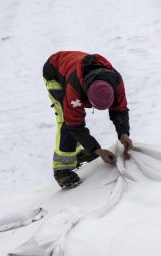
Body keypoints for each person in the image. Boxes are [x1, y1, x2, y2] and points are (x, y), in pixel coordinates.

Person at [42, 51, 133, 189]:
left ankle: (77, 154)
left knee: (72, 118)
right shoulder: (74, 88)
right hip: (54, 71)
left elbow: (120, 109)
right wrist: (97, 150)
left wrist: (123, 133)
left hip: (72, 67)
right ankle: (61, 170)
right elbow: (74, 124)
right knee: (66, 119)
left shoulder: (116, 81)